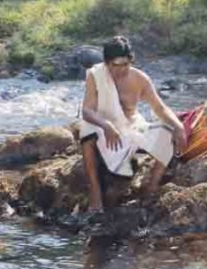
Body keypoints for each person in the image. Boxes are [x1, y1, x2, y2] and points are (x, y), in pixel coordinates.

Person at [79, 36, 187, 212]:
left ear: (131, 61)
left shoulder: (140, 79)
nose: (121, 70)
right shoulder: (96, 75)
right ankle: (95, 190)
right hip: (102, 127)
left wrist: (179, 126)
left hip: (131, 127)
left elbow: (160, 108)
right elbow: (87, 111)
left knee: (168, 132)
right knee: (87, 129)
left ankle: (151, 188)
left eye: (126, 64)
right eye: (116, 65)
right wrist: (106, 125)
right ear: (107, 63)